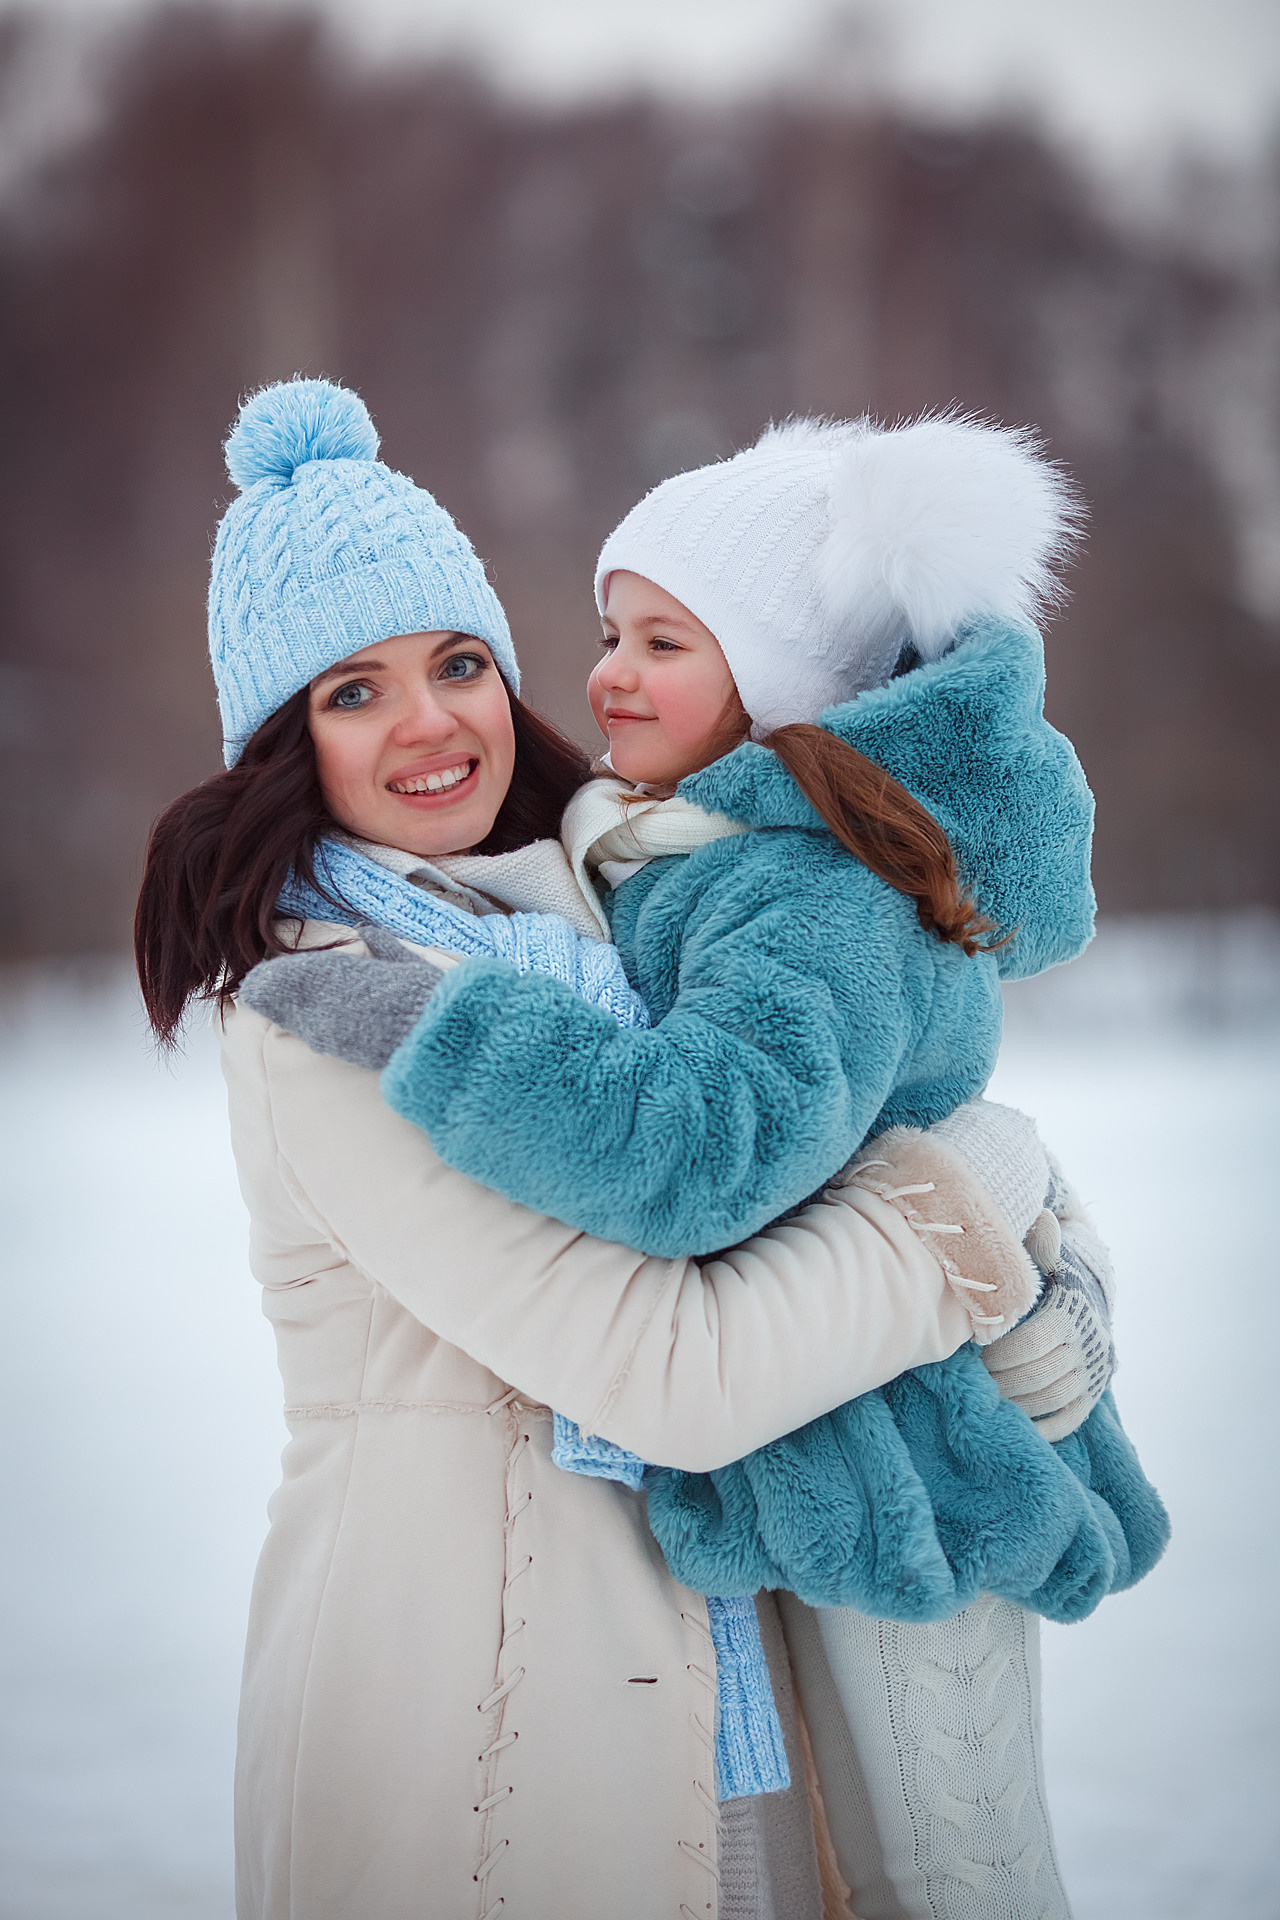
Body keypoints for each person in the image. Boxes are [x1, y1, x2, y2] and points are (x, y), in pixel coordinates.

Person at [136, 380, 1129, 1920]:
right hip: (477, 1744)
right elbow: (684, 1372)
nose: (430, 723)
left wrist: (1047, 1246)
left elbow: (847, 1120)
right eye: (352, 691)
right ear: (278, 744)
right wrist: (965, 1214)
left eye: (459, 663)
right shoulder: (329, 1013)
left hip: (710, 1703)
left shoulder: (605, 911)